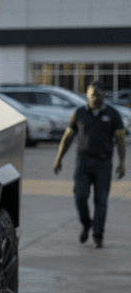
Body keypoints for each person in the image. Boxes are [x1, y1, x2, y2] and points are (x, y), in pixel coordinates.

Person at [53, 81, 126, 248]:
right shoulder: (79, 113)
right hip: (83, 163)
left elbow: (120, 140)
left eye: (99, 95)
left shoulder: (113, 114)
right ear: (87, 95)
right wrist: (59, 158)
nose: (95, 98)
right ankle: (87, 223)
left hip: (103, 163)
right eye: (92, 95)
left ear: (103, 96)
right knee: (80, 196)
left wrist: (122, 163)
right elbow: (68, 137)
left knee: (101, 201)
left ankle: (97, 236)